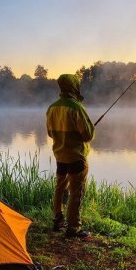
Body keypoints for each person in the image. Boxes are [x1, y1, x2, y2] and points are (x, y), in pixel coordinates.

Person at [46, 73, 95, 238]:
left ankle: (57, 220)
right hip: (76, 156)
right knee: (76, 192)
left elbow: (50, 133)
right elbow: (87, 135)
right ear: (74, 86)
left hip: (60, 155)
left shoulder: (52, 108)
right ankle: (74, 227)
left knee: (60, 189)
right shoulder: (76, 107)